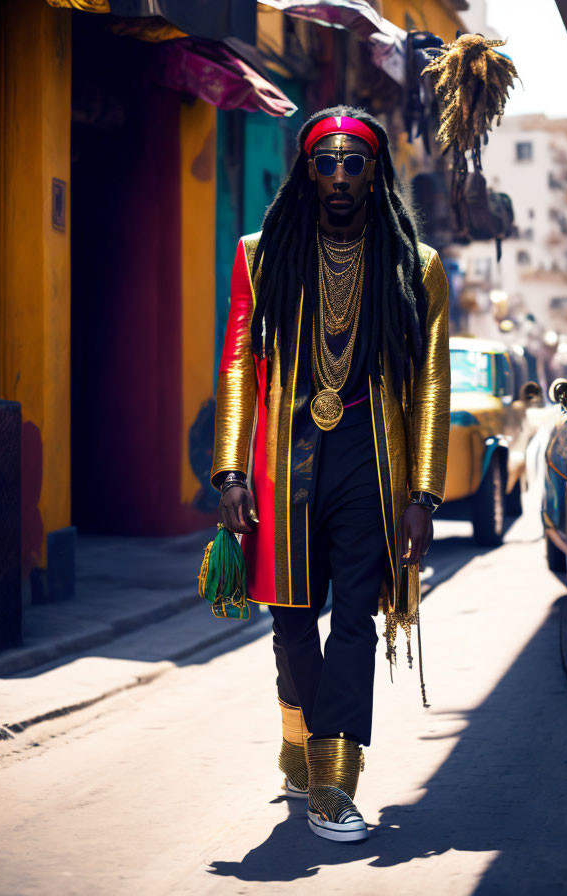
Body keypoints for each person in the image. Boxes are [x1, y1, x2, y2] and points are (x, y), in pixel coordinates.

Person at [211, 106, 450, 843]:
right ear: (307, 172)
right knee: (290, 622)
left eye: (354, 163)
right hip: (284, 460)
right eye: (327, 163)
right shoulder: (261, 254)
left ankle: (333, 783)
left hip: (372, 457)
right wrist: (229, 472)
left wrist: (423, 493)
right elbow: (240, 364)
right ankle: (299, 735)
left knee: (354, 618)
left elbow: (432, 379)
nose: (340, 177)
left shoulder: (417, 265)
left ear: (374, 173)